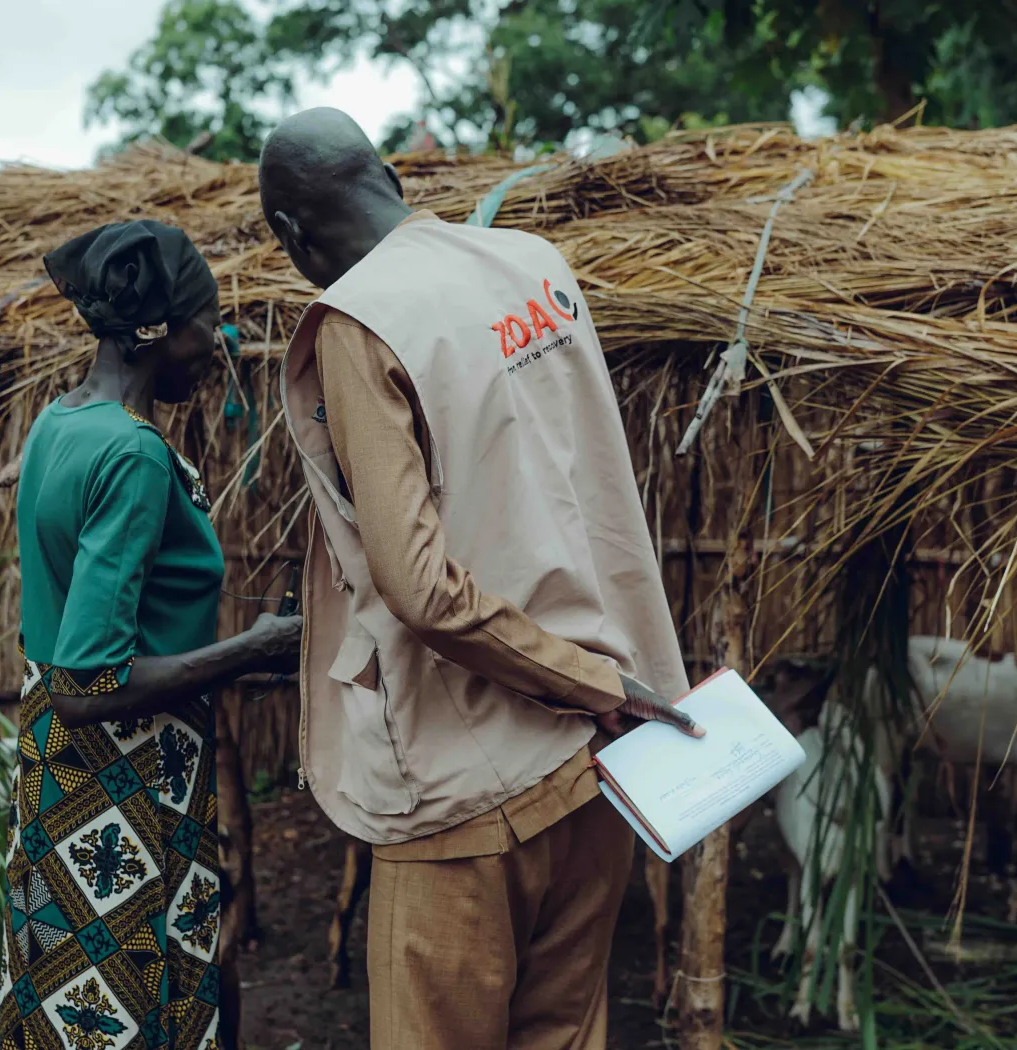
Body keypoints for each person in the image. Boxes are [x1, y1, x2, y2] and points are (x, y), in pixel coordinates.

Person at [259, 108, 698, 1050]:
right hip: (603, 761)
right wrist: (609, 686)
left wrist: (585, 683)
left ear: (292, 234)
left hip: (467, 780)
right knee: (565, 1032)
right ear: (390, 178)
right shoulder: (535, 266)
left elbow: (418, 590)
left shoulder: (361, 321)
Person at [0, 220, 300, 1050]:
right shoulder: (132, 454)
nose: (216, 345)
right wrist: (256, 649)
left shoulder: (59, 422)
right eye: (208, 324)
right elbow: (90, 686)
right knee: (126, 1007)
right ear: (158, 332)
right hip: (121, 782)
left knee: (66, 1004)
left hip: (57, 774)